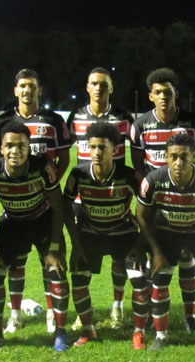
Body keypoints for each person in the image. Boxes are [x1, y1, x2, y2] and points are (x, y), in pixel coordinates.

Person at [130, 67, 195, 332]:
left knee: (188, 254)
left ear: (176, 93)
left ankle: (190, 315)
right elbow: (138, 167)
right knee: (159, 258)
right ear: (150, 96)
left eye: (168, 92)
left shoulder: (193, 121)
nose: (163, 97)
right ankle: (155, 318)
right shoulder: (140, 124)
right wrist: (152, 192)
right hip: (155, 202)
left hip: (188, 197)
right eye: (158, 93)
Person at [0, 121, 68, 353]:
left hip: (42, 219)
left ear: (29, 148)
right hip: (13, 222)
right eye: (9, 146)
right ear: (1, 148)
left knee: (56, 270)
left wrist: (55, 247)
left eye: (21, 146)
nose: (15, 151)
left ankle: (60, 332)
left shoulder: (42, 167)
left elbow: (58, 206)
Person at [0, 69, 72, 335]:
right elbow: (1, 161)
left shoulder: (52, 120)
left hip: (46, 206)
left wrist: (47, 185)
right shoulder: (4, 120)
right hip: (14, 208)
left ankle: (52, 313)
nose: (27, 91)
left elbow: (64, 157)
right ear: (15, 90)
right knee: (16, 263)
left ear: (39, 90)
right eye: (23, 86)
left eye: (32, 86)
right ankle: (15, 315)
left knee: (49, 261)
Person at [136, 133, 195, 357]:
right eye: (173, 157)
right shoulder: (153, 181)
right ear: (165, 158)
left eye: (185, 157)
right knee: (159, 280)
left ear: (194, 156)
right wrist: (156, 252)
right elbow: (142, 217)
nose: (179, 163)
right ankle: (161, 336)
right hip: (167, 235)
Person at [63, 122, 148, 348]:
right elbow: (65, 205)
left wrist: (140, 241)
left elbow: (146, 206)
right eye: (92, 147)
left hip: (123, 233)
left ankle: (139, 332)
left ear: (115, 150)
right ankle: (88, 330)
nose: (97, 153)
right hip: (90, 234)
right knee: (79, 279)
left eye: (103, 148)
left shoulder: (127, 175)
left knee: (140, 280)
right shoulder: (79, 174)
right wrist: (76, 242)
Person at [66, 67, 135, 328]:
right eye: (94, 84)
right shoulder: (75, 117)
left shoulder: (124, 118)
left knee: (119, 257)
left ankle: (117, 306)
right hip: (83, 197)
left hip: (115, 194)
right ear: (87, 86)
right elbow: (63, 151)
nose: (99, 89)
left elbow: (136, 153)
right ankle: (83, 312)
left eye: (104, 85)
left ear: (111, 88)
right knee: (83, 253)